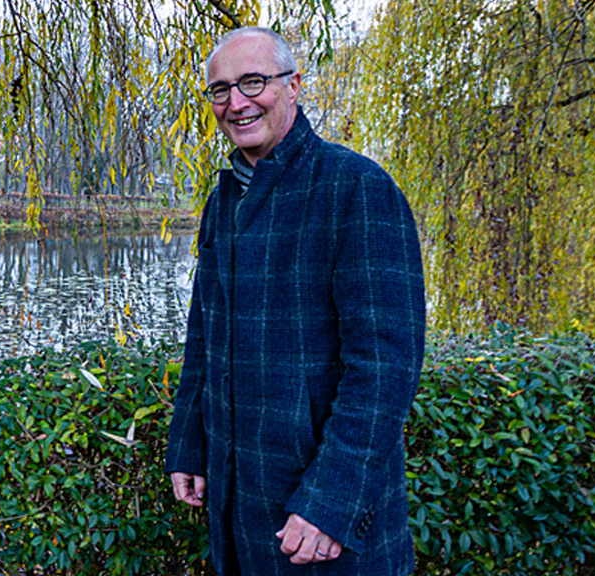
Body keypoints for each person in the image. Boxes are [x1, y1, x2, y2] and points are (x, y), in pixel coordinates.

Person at [165, 27, 426, 575]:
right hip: (237, 508)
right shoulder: (223, 200)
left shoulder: (356, 188)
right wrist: (189, 442)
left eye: (253, 82)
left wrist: (330, 503)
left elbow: (384, 369)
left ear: (293, 86)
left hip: (321, 524)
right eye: (220, 89)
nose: (236, 102)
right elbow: (204, 335)